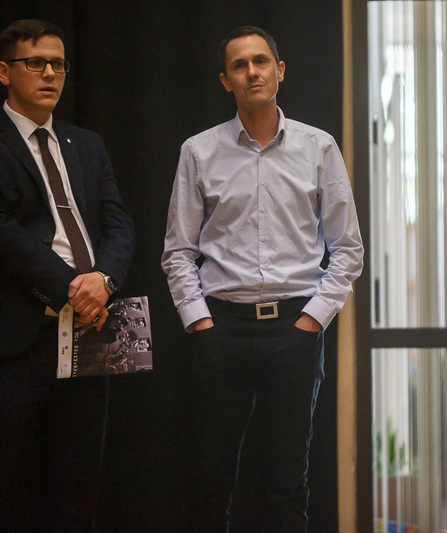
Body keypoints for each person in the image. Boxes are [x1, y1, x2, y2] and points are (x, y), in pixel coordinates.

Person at [162, 25, 363, 533]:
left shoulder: (319, 147)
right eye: (239, 65)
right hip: (221, 330)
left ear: (280, 70)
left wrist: (314, 320)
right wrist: (200, 323)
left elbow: (347, 249)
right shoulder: (198, 151)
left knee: (287, 480)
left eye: (260, 61)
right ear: (225, 80)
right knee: (208, 477)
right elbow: (178, 251)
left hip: (294, 329)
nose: (251, 72)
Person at [0, 19, 136, 531]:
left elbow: (118, 222)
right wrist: (71, 286)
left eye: (58, 64)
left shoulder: (87, 144)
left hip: (90, 334)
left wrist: (104, 281)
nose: (50, 73)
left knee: (78, 491)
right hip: (12, 340)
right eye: (36, 63)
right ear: (4, 72)